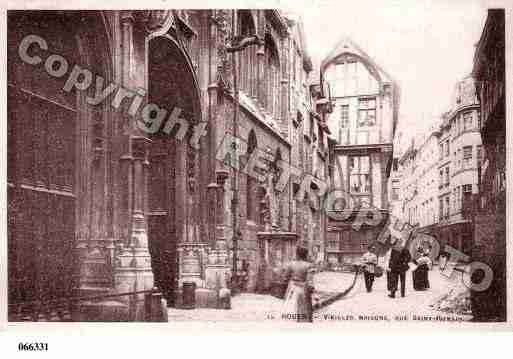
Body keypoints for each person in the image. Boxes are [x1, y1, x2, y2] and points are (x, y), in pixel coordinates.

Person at [282, 246, 315, 322]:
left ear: (297, 254)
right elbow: (310, 281)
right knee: (303, 310)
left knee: (290, 308)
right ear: (305, 255)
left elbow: (285, 278)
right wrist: (312, 290)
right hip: (303, 290)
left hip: (292, 289)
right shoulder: (309, 265)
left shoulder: (291, 264)